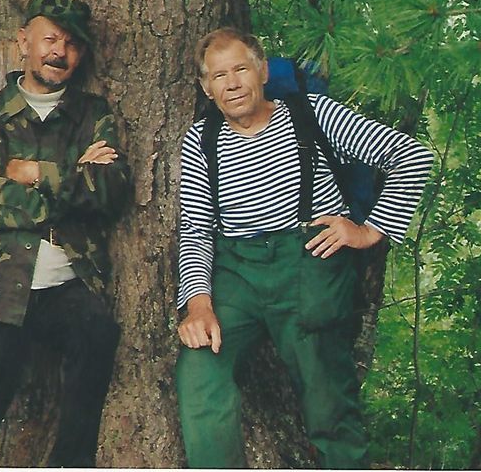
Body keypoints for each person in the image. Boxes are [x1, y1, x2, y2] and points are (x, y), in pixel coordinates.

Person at [174, 27, 433, 469]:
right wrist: (198, 303)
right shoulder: (201, 139)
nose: (232, 83)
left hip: (309, 264)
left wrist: (369, 230)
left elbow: (411, 156)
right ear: (206, 87)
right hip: (237, 273)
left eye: (241, 69)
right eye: (219, 76)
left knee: (327, 399)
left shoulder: (312, 114)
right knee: (199, 371)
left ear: (262, 71)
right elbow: (197, 230)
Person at [0, 0, 131, 468]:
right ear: (23, 41)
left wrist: (33, 173)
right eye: (50, 39)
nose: (59, 52)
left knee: (98, 334)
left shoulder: (92, 114)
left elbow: (110, 190)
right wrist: (75, 180)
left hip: (65, 284)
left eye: (71, 44)